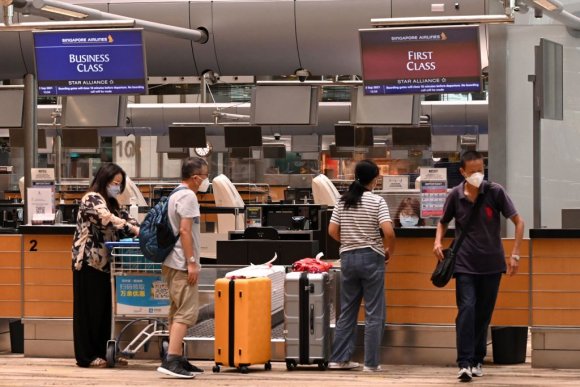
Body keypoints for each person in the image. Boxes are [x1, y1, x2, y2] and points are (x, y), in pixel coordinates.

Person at [432, 151, 525, 382]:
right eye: (472, 171)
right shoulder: (455, 195)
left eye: (480, 170)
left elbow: (518, 221)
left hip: (492, 264)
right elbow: (442, 223)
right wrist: (437, 241)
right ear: (462, 172)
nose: (477, 175)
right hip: (464, 264)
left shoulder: (495, 192)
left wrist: (515, 254)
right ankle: (464, 362)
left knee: (483, 314)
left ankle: (477, 359)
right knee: (467, 310)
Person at [327, 159, 395, 372]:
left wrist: (349, 242)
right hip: (372, 257)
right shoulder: (377, 201)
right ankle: (371, 363)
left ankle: (339, 359)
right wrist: (388, 251)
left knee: (347, 310)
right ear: (375, 179)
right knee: (375, 312)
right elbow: (389, 232)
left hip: (348, 258)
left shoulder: (343, 201)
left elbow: (331, 230)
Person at [71, 163, 140, 368]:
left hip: (105, 264)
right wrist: (133, 228)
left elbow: (126, 221)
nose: (116, 187)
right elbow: (106, 220)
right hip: (88, 262)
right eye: (114, 182)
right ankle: (86, 357)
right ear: (103, 180)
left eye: (119, 183)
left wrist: (139, 227)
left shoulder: (111, 202)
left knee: (103, 311)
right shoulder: (91, 198)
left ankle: (104, 352)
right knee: (88, 311)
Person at [156, 157, 209, 379]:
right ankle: (172, 360)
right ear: (195, 178)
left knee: (177, 311)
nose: (206, 180)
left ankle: (177, 356)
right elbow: (186, 231)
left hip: (171, 261)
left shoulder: (175, 193)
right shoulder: (188, 196)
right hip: (181, 263)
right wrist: (191, 262)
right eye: (205, 176)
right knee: (186, 313)